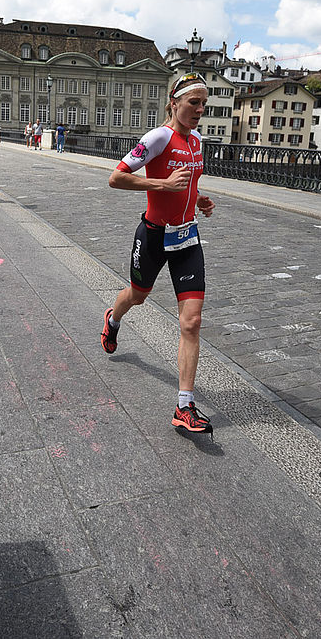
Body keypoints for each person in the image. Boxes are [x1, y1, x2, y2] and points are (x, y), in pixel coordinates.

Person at [101, 73, 216, 433]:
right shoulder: (158, 138)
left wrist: (199, 199)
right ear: (174, 102)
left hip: (187, 238)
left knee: (192, 321)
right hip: (153, 235)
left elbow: (189, 182)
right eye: (193, 102)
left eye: (203, 104)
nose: (199, 110)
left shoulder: (197, 141)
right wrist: (161, 184)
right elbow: (116, 177)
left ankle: (184, 406)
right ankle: (113, 319)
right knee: (137, 296)